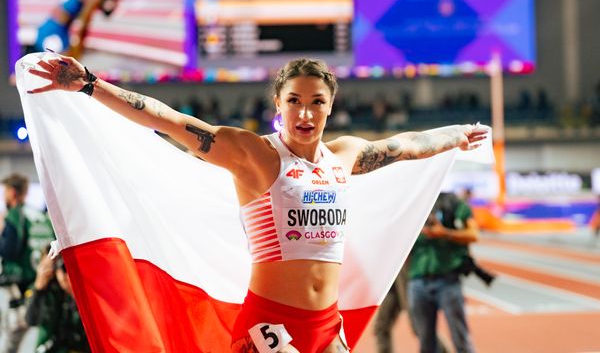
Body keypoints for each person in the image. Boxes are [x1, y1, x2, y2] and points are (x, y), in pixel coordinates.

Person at [27, 54, 487, 353]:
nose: (305, 113)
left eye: (316, 102)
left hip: (328, 325)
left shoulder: (344, 156)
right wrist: (90, 85)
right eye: (294, 101)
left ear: (330, 106)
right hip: (271, 326)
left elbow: (406, 144)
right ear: (278, 104)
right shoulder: (254, 155)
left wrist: (457, 135)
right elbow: (169, 120)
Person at [407, 192, 479, 353]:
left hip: (447, 280)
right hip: (417, 281)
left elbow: (473, 234)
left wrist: (445, 233)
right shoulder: (413, 203)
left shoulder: (453, 203)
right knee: (425, 342)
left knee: (460, 339)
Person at [34, 0, 123, 58]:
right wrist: (78, 47)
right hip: (53, 31)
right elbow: (82, 24)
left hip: (56, 28)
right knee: (62, 65)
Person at [25, 251, 90, 353]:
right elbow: (32, 320)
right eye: (64, 268)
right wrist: (39, 289)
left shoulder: (87, 290)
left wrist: (75, 294)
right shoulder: (48, 291)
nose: (67, 274)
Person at [0, 174, 36, 353]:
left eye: (4, 191)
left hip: (16, 287)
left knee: (10, 341)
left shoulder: (14, 216)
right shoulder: (34, 215)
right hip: (35, 286)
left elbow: (9, 250)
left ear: (12, 192)